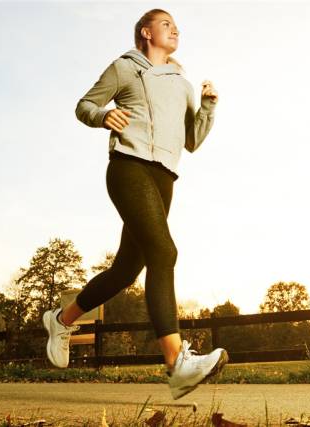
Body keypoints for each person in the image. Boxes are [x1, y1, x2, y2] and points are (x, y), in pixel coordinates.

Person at [42, 8, 228, 400]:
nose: (175, 29)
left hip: (165, 178)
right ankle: (177, 364)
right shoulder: (124, 68)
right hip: (128, 168)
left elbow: (191, 140)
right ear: (146, 32)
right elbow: (84, 105)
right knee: (164, 252)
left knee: (127, 270)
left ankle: (62, 319)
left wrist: (209, 106)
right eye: (166, 24)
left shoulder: (183, 84)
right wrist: (103, 115)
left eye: (177, 26)